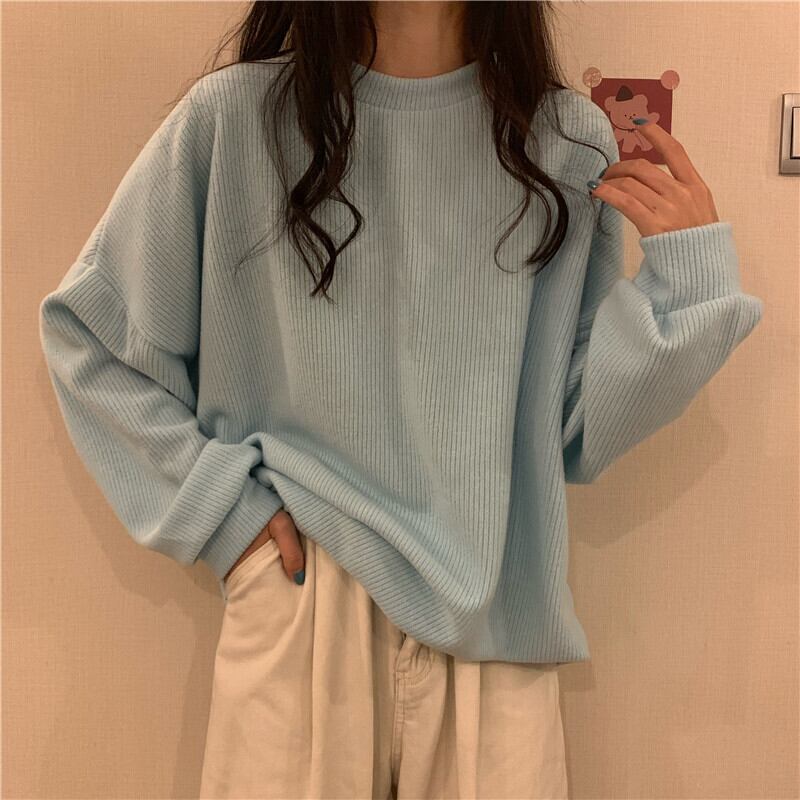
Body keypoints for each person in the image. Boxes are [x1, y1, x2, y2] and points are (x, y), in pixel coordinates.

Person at [37, 2, 764, 798]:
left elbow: (569, 425)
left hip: (496, 609)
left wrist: (687, 283)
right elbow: (93, 336)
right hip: (305, 595)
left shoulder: (564, 139)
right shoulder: (235, 120)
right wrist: (226, 518)